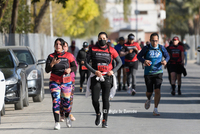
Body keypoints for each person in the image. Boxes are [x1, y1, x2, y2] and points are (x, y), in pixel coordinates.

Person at [85, 32, 122, 128]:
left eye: (104, 38)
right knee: (94, 99)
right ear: (98, 39)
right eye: (100, 38)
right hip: (96, 76)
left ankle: (105, 120)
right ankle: (98, 113)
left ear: (107, 39)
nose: (102, 40)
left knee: (105, 99)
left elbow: (120, 62)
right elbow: (86, 63)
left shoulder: (111, 50)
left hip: (107, 77)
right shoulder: (92, 49)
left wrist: (113, 71)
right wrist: (94, 71)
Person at [45, 38, 77, 130]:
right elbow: (47, 70)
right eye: (56, 44)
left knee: (66, 103)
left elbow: (74, 66)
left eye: (60, 44)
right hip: (54, 82)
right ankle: (57, 122)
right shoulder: (51, 56)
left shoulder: (69, 55)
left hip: (66, 82)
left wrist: (70, 69)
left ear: (63, 46)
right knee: (56, 101)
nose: (58, 46)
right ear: (54, 46)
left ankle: (67, 117)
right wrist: (52, 64)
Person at [137, 33, 170, 116]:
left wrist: (165, 61)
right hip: (148, 73)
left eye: (156, 41)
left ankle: (155, 109)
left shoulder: (161, 48)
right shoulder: (146, 48)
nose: (154, 42)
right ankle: (149, 98)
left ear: (158, 41)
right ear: (150, 40)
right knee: (149, 92)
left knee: (157, 90)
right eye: (153, 40)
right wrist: (144, 60)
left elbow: (167, 56)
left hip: (158, 72)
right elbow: (139, 56)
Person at [59, 41, 77, 123]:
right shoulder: (57, 56)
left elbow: (75, 67)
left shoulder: (71, 56)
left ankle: (69, 113)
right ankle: (62, 114)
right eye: (63, 46)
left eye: (65, 46)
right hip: (60, 80)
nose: (64, 48)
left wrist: (70, 70)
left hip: (70, 80)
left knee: (69, 98)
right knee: (61, 98)